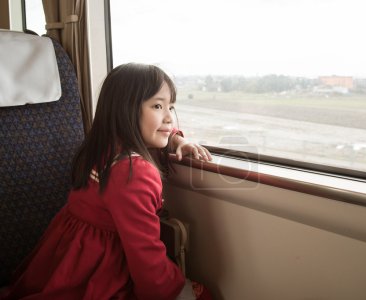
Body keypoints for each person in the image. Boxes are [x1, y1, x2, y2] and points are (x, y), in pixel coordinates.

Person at [1, 63, 213, 300]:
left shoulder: (105, 145)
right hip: (98, 269)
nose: (168, 117)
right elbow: (145, 255)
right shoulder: (135, 173)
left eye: (170, 107)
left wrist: (176, 140)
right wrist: (168, 291)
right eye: (157, 105)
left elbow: (161, 127)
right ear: (126, 110)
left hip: (69, 257)